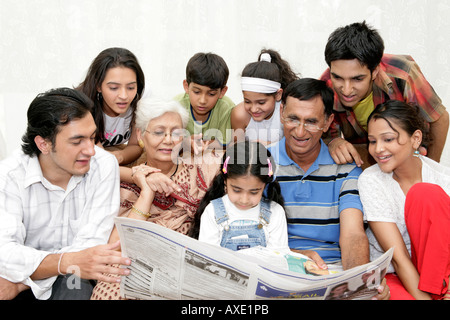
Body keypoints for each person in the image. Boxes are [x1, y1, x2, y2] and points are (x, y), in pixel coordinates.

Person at [0, 88, 130, 300]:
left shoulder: (104, 165)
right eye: (77, 141)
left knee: (76, 283)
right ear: (43, 144)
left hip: (49, 278)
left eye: (92, 137)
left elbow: (90, 247)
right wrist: (65, 262)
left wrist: (23, 282)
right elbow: (4, 252)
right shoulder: (8, 176)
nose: (90, 150)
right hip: (18, 276)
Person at [90, 99, 221, 300]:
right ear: (141, 136)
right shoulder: (124, 183)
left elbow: (245, 168)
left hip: (189, 264)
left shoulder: (203, 167)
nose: (168, 140)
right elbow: (116, 245)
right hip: (137, 262)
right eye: (159, 132)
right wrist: (146, 192)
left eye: (176, 133)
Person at [320, 21, 449, 167]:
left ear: (374, 71)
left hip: (409, 155)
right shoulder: (325, 86)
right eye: (337, 77)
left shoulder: (403, 74)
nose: (346, 89)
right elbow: (321, 135)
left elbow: (440, 119)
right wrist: (333, 142)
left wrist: (429, 172)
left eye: (357, 79)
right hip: (364, 157)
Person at [358, 100, 450, 300]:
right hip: (395, 274)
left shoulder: (443, 179)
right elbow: (398, 260)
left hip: (439, 276)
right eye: (372, 141)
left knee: (425, 194)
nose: (378, 149)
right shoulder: (371, 180)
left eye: (388, 139)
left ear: (415, 138)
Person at [190, 141, 288, 251]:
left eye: (254, 192)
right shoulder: (212, 212)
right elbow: (208, 256)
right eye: (236, 190)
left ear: (264, 185)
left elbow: (278, 258)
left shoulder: (275, 213)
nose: (244, 200)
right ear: (225, 181)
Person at [77, 47, 146, 166]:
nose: (124, 96)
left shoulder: (139, 101)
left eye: (130, 87)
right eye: (114, 88)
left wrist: (119, 156)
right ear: (98, 86)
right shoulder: (82, 108)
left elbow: (136, 145)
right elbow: (98, 161)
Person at [231, 49, 299, 145]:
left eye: (261, 102)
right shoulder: (239, 115)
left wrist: (269, 145)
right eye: (247, 101)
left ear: (278, 95)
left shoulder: (286, 113)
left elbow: (295, 147)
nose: (254, 109)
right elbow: (237, 150)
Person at [174, 52, 235, 148]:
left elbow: (226, 144)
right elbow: (171, 141)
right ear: (186, 86)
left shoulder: (226, 108)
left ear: (222, 92)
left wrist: (200, 145)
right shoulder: (176, 106)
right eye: (197, 92)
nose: (202, 100)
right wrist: (186, 143)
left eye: (211, 94)